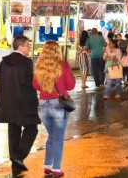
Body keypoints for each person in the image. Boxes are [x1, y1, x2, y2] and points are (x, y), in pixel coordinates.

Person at [0, 35, 40, 176]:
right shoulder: (26, 63)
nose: (29, 48)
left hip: (8, 103)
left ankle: (16, 167)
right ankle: (18, 156)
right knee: (32, 129)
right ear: (21, 46)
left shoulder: (4, 62)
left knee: (13, 132)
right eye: (28, 45)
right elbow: (28, 84)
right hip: (24, 103)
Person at [33, 40, 75, 178]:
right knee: (58, 138)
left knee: (52, 136)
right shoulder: (63, 65)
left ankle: (47, 166)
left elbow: (36, 86)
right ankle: (56, 168)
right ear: (58, 51)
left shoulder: (39, 66)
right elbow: (71, 85)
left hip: (43, 105)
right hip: (59, 105)